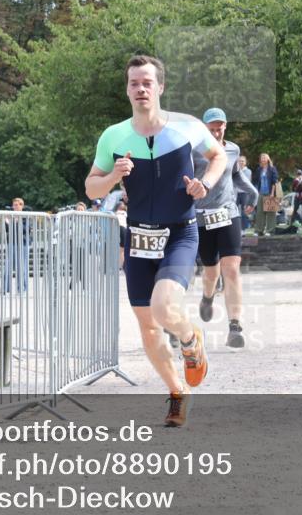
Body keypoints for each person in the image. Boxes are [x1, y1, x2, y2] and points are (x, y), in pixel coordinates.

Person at [85, 55, 225, 427]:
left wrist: (205, 184)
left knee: (165, 309)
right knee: (147, 326)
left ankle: (190, 338)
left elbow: (218, 157)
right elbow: (91, 186)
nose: (141, 89)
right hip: (138, 238)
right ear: (127, 89)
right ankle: (178, 392)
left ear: (160, 87)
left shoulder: (187, 127)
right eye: (134, 83)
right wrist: (114, 175)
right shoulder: (113, 136)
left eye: (147, 82)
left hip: (179, 231)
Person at [192, 108, 258, 348]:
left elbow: (236, 177)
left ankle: (235, 326)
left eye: (220, 127)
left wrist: (252, 193)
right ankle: (208, 297)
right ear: (204, 128)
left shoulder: (233, 150)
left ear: (225, 127)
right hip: (201, 217)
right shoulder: (193, 151)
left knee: (231, 269)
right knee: (211, 272)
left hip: (228, 214)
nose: (216, 131)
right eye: (212, 128)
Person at [4, 197, 31, 294]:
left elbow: (26, 229)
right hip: (11, 243)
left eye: (17, 205)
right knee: (7, 267)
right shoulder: (10, 215)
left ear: (22, 206)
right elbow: (6, 230)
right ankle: (5, 289)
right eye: (14, 205)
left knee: (22, 268)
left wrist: (15, 222)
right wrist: (7, 223)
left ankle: (22, 289)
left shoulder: (25, 216)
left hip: (23, 244)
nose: (14, 207)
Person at [252, 154, 280, 236]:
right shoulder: (259, 169)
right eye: (261, 158)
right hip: (261, 192)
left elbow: (275, 181)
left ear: (268, 159)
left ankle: (270, 230)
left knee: (271, 212)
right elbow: (256, 181)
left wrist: (272, 193)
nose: (263, 159)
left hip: (270, 192)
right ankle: (259, 230)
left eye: (264, 157)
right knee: (260, 212)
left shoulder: (272, 168)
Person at [237, 156, 254, 230]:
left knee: (245, 211)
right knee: (234, 211)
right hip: (236, 193)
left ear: (245, 162)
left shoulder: (248, 171)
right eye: (240, 161)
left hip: (245, 193)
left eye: (243, 161)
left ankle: (245, 228)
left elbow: (244, 181)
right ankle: (237, 228)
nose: (241, 162)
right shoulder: (235, 170)